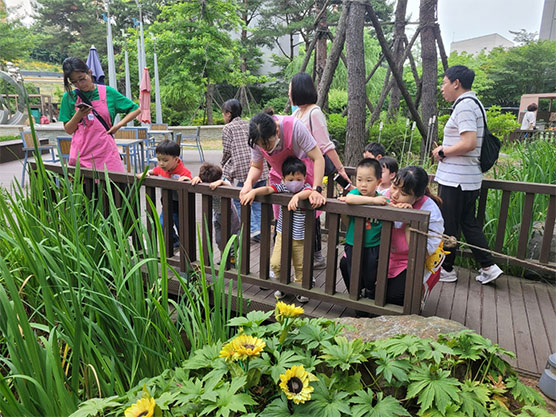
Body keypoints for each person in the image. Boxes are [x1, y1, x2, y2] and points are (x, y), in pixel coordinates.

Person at [432, 65, 503, 285]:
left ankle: (446, 269)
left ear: (456, 83)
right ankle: (488, 266)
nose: (442, 88)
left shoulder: (463, 107)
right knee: (468, 223)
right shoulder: (475, 104)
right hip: (469, 179)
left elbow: (469, 143)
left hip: (456, 180)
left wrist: (442, 151)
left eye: (444, 83)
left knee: (449, 226)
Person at [289, 72, 350, 268]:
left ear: (298, 89)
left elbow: (325, 146)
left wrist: (340, 169)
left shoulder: (314, 112)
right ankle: (306, 252)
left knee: (312, 211)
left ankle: (316, 256)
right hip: (298, 169)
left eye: (290, 88)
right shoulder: (297, 113)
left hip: (311, 168)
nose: (288, 92)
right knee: (302, 211)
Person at [240, 156, 313, 303]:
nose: (294, 183)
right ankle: (281, 284)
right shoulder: (283, 187)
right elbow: (268, 188)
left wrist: (297, 197)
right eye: (290, 179)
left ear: (304, 178)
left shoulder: (305, 189)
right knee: (276, 262)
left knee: (300, 264)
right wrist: (253, 192)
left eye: (298, 179)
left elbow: (309, 192)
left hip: (300, 236)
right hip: (282, 233)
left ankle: (301, 287)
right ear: (284, 179)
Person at [59, 57, 141, 172]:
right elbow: (68, 129)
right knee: (86, 189)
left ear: (89, 72)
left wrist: (118, 125)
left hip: (106, 152)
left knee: (114, 186)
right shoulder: (69, 97)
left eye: (82, 79)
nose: (80, 84)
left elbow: (135, 109)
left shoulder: (108, 92)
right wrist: (79, 115)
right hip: (82, 154)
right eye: (74, 82)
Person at [240, 109, 326, 215]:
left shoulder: (294, 127)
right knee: (282, 217)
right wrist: (248, 183)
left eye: (267, 144)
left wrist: (316, 189)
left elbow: (318, 158)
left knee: (307, 220)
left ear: (277, 131)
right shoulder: (256, 139)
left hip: (304, 178)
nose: (265, 149)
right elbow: (256, 166)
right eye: (261, 145)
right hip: (280, 179)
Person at [387, 166, 444, 305]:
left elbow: (422, 253)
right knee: (347, 265)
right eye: (394, 187)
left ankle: (420, 292)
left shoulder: (431, 212)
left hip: (413, 262)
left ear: (418, 197)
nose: (394, 195)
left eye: (404, 193)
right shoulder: (384, 196)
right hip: (384, 256)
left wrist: (409, 219)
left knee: (393, 296)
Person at [338, 158, 387, 299]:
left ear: (378, 182)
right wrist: (373, 201)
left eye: (369, 180)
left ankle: (370, 293)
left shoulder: (382, 200)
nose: (363, 184)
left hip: (374, 245)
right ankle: (355, 294)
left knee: (371, 272)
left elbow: (391, 206)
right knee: (353, 270)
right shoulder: (355, 194)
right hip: (353, 243)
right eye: (359, 180)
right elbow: (349, 199)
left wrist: (402, 206)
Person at [221, 99, 268, 242]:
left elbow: (227, 151)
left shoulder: (228, 128)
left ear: (228, 114)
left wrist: (223, 165)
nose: (223, 116)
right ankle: (261, 232)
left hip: (243, 170)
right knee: (258, 202)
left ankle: (253, 228)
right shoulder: (249, 124)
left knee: (239, 198)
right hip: (260, 166)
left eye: (224, 113)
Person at [138, 140, 192, 248]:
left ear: (176, 159)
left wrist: (187, 181)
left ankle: (186, 247)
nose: (161, 163)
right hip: (167, 205)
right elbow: (154, 170)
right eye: (159, 160)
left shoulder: (183, 172)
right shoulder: (161, 169)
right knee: (162, 225)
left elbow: (190, 183)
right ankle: (174, 242)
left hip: (181, 207)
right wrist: (147, 173)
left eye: (165, 160)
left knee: (182, 228)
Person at [191, 162, 241, 264]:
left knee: (233, 238)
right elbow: (197, 182)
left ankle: (231, 260)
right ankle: (224, 257)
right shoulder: (205, 181)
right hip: (217, 215)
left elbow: (229, 185)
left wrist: (220, 183)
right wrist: (197, 178)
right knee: (219, 239)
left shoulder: (223, 181)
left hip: (230, 214)